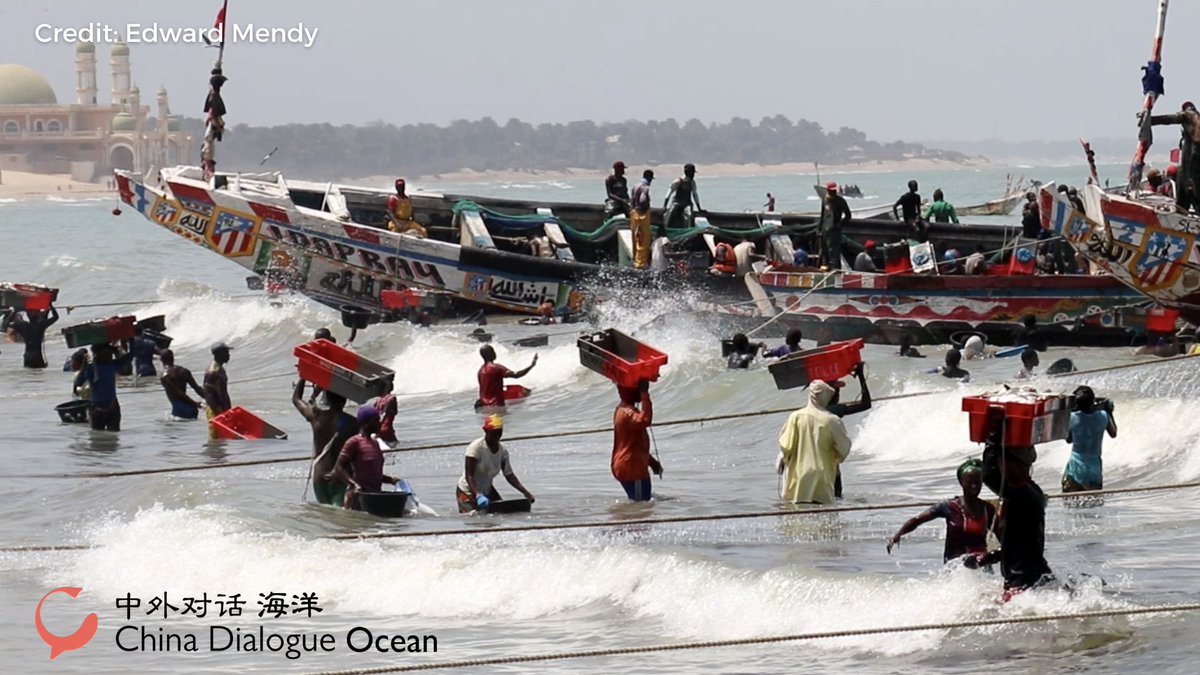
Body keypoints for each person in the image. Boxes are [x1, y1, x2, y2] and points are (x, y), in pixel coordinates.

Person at [975, 442, 1053, 596]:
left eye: (1001, 463)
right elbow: (1019, 542)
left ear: (1014, 466)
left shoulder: (1021, 494)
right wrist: (993, 556)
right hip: (1032, 572)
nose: (1000, 468)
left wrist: (991, 438)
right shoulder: (1030, 490)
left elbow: (989, 476)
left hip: (1023, 580)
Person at [887, 459, 997, 563]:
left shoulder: (987, 509)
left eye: (977, 482)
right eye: (969, 482)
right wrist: (898, 534)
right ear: (961, 482)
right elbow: (917, 520)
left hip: (982, 569)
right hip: (955, 569)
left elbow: (1003, 536)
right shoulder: (949, 506)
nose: (974, 486)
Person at [776, 380, 852, 505]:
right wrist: (835, 457)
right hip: (822, 476)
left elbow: (786, 446)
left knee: (799, 516)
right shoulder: (832, 420)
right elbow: (844, 448)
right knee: (822, 515)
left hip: (798, 476)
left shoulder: (795, 417)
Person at [456, 414, 536, 513]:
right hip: (468, 490)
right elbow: (469, 476)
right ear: (486, 431)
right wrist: (478, 495)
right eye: (494, 433)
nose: (497, 436)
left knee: (500, 514)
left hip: (487, 489)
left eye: (499, 432)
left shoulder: (502, 451)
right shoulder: (475, 448)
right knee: (473, 518)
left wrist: (525, 492)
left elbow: (509, 475)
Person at [297, 379, 358, 506]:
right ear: (345, 400)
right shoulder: (353, 423)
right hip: (340, 477)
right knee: (338, 517)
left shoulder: (316, 417)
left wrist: (304, 376)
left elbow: (296, 398)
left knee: (325, 516)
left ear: (327, 399)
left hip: (319, 476)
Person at [327, 406, 397, 511]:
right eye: (376, 420)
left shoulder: (375, 443)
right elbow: (338, 468)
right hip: (358, 499)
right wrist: (354, 485)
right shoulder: (354, 442)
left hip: (374, 497)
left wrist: (391, 480)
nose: (379, 423)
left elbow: (372, 473)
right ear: (366, 423)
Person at [611, 379, 662, 502]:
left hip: (628, 465)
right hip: (632, 469)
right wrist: (645, 394)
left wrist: (652, 463)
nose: (639, 389)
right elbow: (645, 420)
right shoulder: (628, 413)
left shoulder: (622, 409)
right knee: (641, 506)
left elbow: (635, 445)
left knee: (641, 502)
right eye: (637, 387)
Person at [1062, 386, 1118, 493]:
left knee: (1070, 503)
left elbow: (1068, 440)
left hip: (1075, 468)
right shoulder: (1103, 416)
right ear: (1093, 401)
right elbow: (1113, 433)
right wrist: (1109, 412)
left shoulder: (1072, 417)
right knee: (1093, 503)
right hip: (1094, 469)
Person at [1150, 101, 1200, 211]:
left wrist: (1150, 120)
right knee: (1188, 196)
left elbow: (1170, 119)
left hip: (1192, 165)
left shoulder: (1189, 116)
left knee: (1189, 195)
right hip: (1189, 165)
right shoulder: (1194, 125)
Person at [74, 343, 134, 431]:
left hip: (112, 407)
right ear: (98, 355)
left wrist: (130, 342)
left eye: (110, 354)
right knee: (98, 440)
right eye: (107, 354)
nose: (110, 356)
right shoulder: (91, 368)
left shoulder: (112, 365)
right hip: (97, 409)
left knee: (113, 438)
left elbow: (130, 356)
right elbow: (78, 382)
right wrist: (83, 366)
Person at [476, 344, 537, 409]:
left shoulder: (480, 371)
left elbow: (488, 388)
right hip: (496, 406)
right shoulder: (496, 367)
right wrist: (531, 366)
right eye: (493, 351)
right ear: (491, 353)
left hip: (485, 407)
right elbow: (516, 375)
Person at [160, 349, 205, 419]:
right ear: (173, 358)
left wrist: (195, 403)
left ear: (161, 359)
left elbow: (178, 393)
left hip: (180, 410)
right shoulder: (184, 371)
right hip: (192, 409)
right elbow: (197, 388)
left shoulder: (165, 376)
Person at [819, 182, 852, 268]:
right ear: (828, 190)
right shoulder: (825, 200)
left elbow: (848, 215)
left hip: (835, 232)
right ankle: (827, 268)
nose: (833, 192)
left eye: (835, 190)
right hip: (825, 230)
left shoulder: (840, 201)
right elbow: (822, 215)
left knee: (834, 253)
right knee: (825, 252)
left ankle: (835, 270)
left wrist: (839, 224)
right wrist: (819, 229)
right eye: (831, 191)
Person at [662, 163, 701, 236]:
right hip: (677, 202)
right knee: (670, 213)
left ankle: (688, 233)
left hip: (687, 203)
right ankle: (666, 231)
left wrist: (699, 208)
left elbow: (695, 195)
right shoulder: (677, 181)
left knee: (689, 215)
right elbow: (669, 193)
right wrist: (664, 205)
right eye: (692, 173)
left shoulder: (692, 183)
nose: (693, 175)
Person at [204, 342, 233, 428]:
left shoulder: (220, 368)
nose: (229, 355)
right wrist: (217, 412)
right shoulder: (213, 371)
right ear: (220, 354)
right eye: (226, 353)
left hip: (222, 408)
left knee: (222, 440)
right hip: (215, 410)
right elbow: (208, 393)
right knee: (215, 439)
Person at [629, 169, 654, 269]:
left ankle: (635, 260)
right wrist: (645, 208)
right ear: (649, 178)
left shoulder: (635, 186)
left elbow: (632, 200)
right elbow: (642, 200)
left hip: (634, 213)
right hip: (642, 215)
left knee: (635, 237)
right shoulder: (645, 187)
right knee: (644, 240)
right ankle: (640, 264)